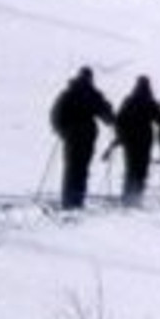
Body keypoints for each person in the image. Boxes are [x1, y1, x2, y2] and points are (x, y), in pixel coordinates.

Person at [48, 66, 114, 211]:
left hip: (71, 137)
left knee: (71, 168)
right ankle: (77, 202)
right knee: (82, 169)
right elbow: (107, 117)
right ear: (90, 79)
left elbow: (55, 113)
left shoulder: (69, 93)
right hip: (87, 137)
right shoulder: (93, 94)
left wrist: (61, 131)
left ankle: (67, 202)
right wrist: (111, 114)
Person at [105, 74, 160, 206]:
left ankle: (127, 198)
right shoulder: (150, 102)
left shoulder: (128, 100)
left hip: (129, 141)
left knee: (130, 168)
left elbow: (119, 120)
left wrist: (120, 137)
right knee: (141, 169)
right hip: (144, 140)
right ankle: (136, 198)